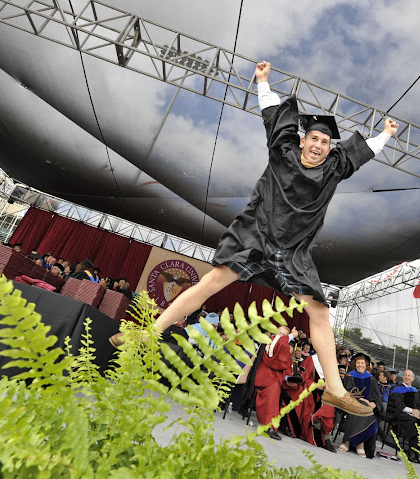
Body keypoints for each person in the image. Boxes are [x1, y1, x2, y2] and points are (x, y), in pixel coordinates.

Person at [109, 61, 398, 417]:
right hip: (256, 238)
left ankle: (335, 390)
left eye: (325, 142)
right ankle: (150, 333)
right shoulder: (283, 152)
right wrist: (262, 81)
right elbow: (272, 117)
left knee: (320, 313)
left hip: (292, 253)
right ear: (303, 140)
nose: (319, 145)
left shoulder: (333, 169)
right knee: (210, 282)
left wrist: (385, 134)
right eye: (314, 139)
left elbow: (360, 153)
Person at [253, 325, 301, 440]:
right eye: (279, 333)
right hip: (267, 376)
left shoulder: (281, 347)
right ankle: (269, 426)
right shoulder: (272, 341)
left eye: (283, 335)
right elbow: (277, 353)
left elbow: (283, 366)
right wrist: (291, 336)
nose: (281, 336)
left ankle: (272, 426)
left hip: (274, 377)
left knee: (279, 399)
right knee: (272, 400)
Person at [338, 353, 382, 458]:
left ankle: (348, 442)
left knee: (368, 412)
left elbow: (376, 396)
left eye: (362, 363)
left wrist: (374, 403)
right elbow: (349, 392)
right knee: (359, 409)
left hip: (367, 406)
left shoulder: (371, 379)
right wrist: (365, 401)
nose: (360, 365)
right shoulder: (350, 376)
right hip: (352, 403)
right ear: (355, 364)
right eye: (358, 363)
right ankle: (359, 444)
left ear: (366, 365)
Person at [386, 369, 420, 464]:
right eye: (405, 375)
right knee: (413, 422)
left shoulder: (415, 391)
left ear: (413, 378)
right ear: (403, 377)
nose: (407, 377)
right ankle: (411, 452)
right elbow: (399, 405)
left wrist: (417, 412)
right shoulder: (397, 389)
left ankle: (418, 452)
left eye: (409, 376)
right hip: (398, 414)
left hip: (411, 416)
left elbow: (419, 405)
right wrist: (411, 411)